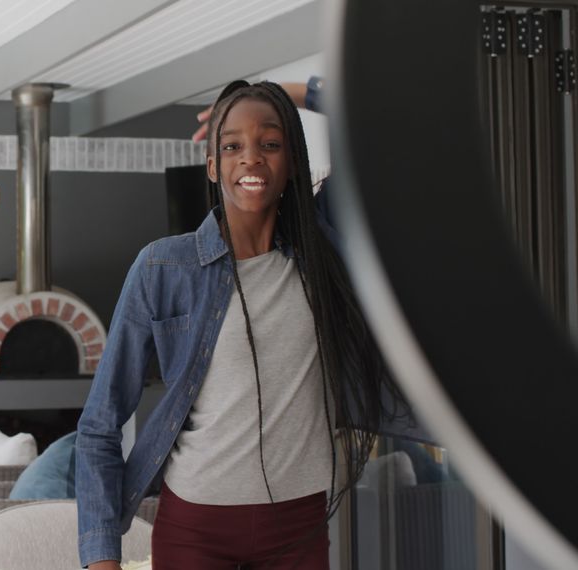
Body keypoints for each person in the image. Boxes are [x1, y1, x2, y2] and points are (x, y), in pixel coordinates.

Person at [75, 78, 413, 569]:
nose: (251, 158)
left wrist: (295, 91)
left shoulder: (325, 254)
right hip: (195, 529)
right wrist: (100, 556)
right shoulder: (163, 269)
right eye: (232, 146)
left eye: (270, 144)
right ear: (213, 167)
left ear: (293, 161)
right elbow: (101, 422)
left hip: (298, 529)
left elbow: (382, 121)